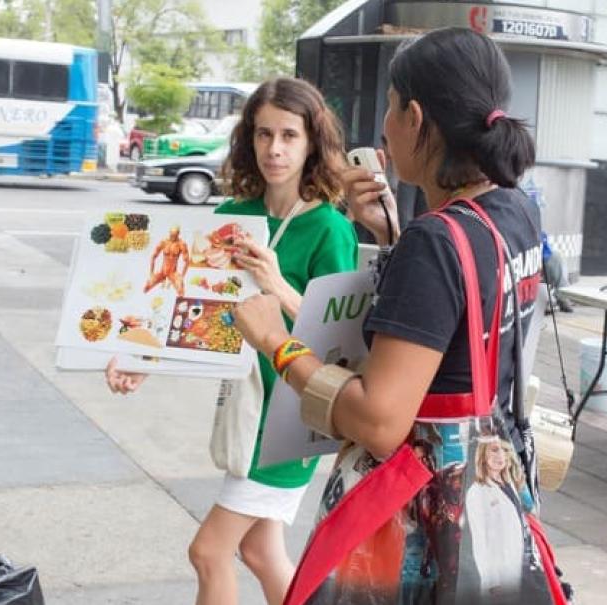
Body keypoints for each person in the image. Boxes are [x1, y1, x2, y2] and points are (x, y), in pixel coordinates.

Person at [233, 27, 567, 605]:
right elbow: (466, 311)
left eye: (389, 107)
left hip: (422, 514)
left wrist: (275, 343)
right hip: (492, 488)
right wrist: (393, 231)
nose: (384, 126)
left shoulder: (436, 241)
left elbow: (381, 421)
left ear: (415, 116)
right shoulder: (514, 208)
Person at [105, 77, 359, 605]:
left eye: (290, 135)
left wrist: (278, 286)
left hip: (292, 419)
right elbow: (197, 316)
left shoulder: (331, 230)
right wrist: (140, 359)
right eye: (264, 134)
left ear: (312, 142)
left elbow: (339, 343)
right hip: (246, 408)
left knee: (209, 552)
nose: (275, 149)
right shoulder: (232, 218)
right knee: (262, 554)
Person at [465, 437, 528, 597]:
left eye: (503, 450)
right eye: (494, 450)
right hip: (498, 578)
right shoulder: (477, 492)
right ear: (483, 457)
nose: (500, 455)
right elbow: (480, 540)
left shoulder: (509, 484)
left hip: (515, 567)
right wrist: (491, 581)